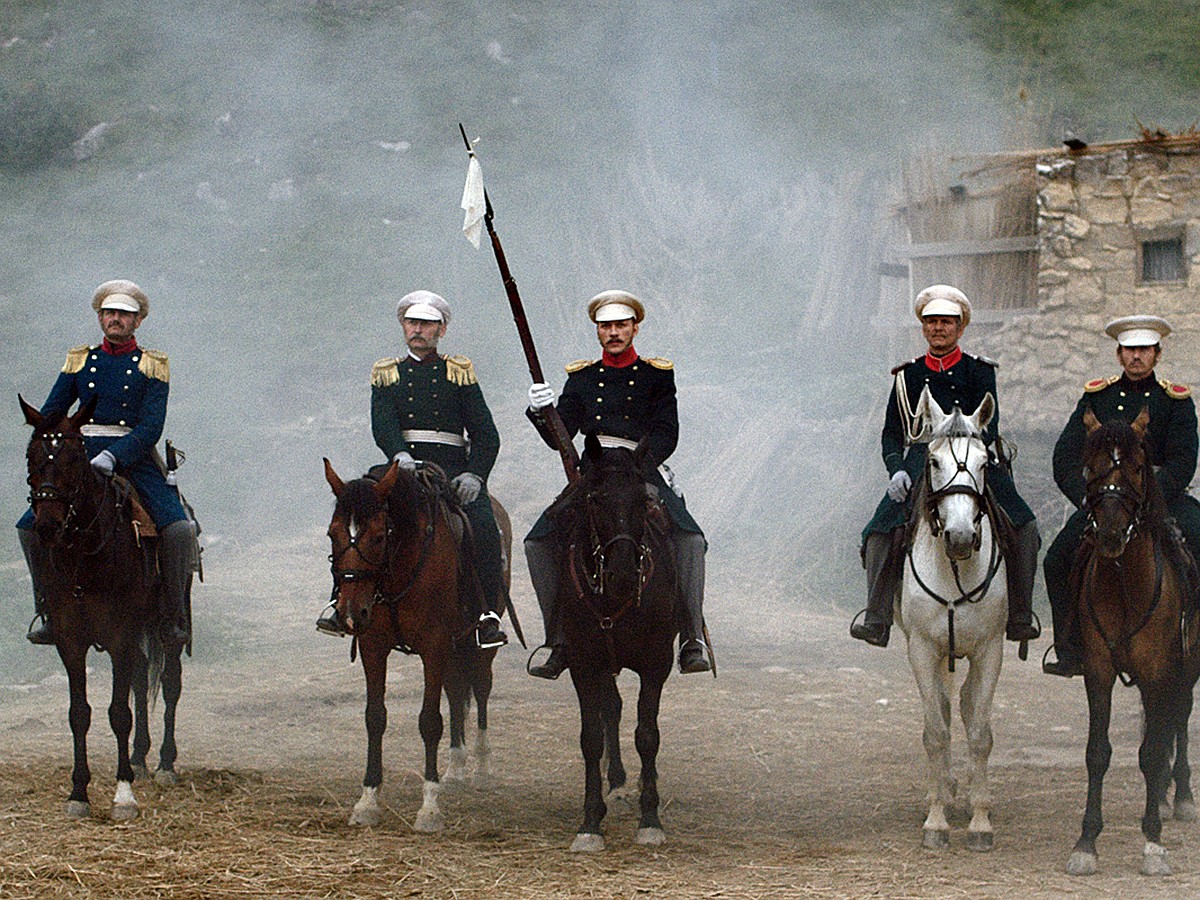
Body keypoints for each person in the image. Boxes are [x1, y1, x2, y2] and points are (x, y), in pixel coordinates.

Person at [524, 289, 710, 678]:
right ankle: (558, 639)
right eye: (605, 326)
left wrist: (639, 463)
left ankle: (691, 637)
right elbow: (560, 435)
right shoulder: (583, 377)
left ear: (634, 328)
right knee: (538, 540)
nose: (613, 332)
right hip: (593, 473)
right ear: (597, 331)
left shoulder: (658, 375)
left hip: (640, 469)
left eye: (620, 325)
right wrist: (542, 410)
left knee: (689, 538)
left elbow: (666, 431)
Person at [850, 284, 1041, 648]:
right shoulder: (906, 376)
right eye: (931, 321)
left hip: (973, 458)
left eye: (946, 322)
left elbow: (991, 426)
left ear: (960, 327)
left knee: (1025, 526)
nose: (938, 328)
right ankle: (876, 616)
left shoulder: (980, 372)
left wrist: (972, 455)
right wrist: (897, 470)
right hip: (923, 461)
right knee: (878, 532)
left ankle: (1019, 613)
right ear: (923, 327)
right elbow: (892, 434)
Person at [317, 290, 507, 649]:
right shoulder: (387, 374)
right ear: (403, 326)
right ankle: (336, 601)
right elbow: (382, 423)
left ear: (442, 330)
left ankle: (486, 615)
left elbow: (486, 434)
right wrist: (398, 453)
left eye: (427, 324)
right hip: (401, 467)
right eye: (412, 322)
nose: (418, 330)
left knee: (483, 525)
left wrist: (475, 474)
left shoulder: (459, 373)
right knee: (354, 513)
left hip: (451, 469)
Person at [19, 279, 195, 646]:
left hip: (134, 457)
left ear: (138, 321)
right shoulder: (80, 361)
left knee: (179, 530)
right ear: (100, 318)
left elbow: (150, 427)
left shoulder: (152, 365)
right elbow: (53, 412)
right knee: (29, 527)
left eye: (124, 315)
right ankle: (48, 609)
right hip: (80, 458)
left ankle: (172, 616)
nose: (115, 319)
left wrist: (114, 455)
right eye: (110, 313)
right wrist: (50, 441)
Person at [1042, 314, 1200, 677]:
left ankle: (1192, 639)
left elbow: (1183, 461)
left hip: (1162, 499)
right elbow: (1065, 455)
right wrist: (1086, 497)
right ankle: (1072, 647)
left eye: (1144, 349)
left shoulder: (1174, 401)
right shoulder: (1097, 397)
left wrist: (1151, 495)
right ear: (1118, 355)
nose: (1136, 357)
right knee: (1056, 559)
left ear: (1157, 355)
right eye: (1129, 350)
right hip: (1107, 502)